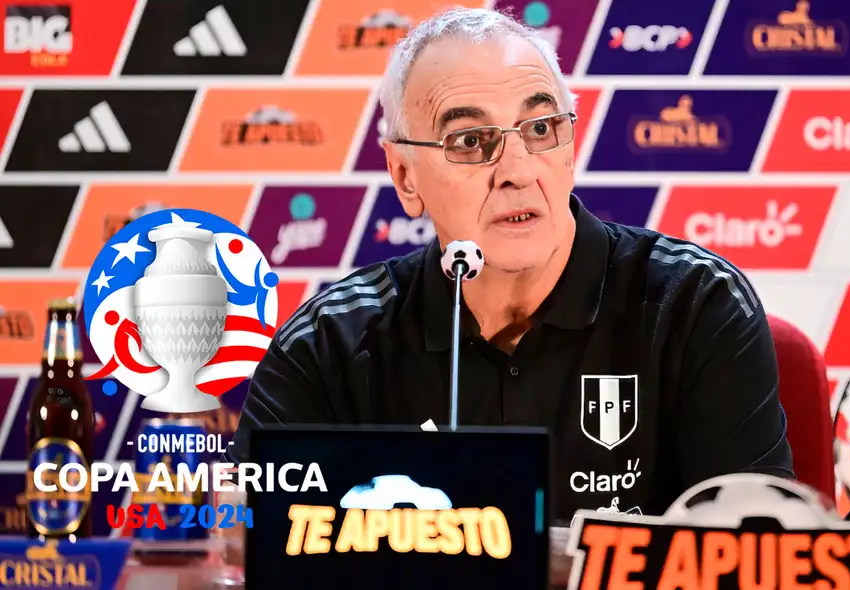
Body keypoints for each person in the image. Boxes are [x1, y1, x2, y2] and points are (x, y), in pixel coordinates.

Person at [227, 3, 792, 563]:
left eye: (541, 128)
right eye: (470, 141)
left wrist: (521, 552)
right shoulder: (330, 343)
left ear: (570, 145)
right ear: (404, 176)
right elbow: (251, 546)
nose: (518, 171)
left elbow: (757, 559)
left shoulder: (694, 305)